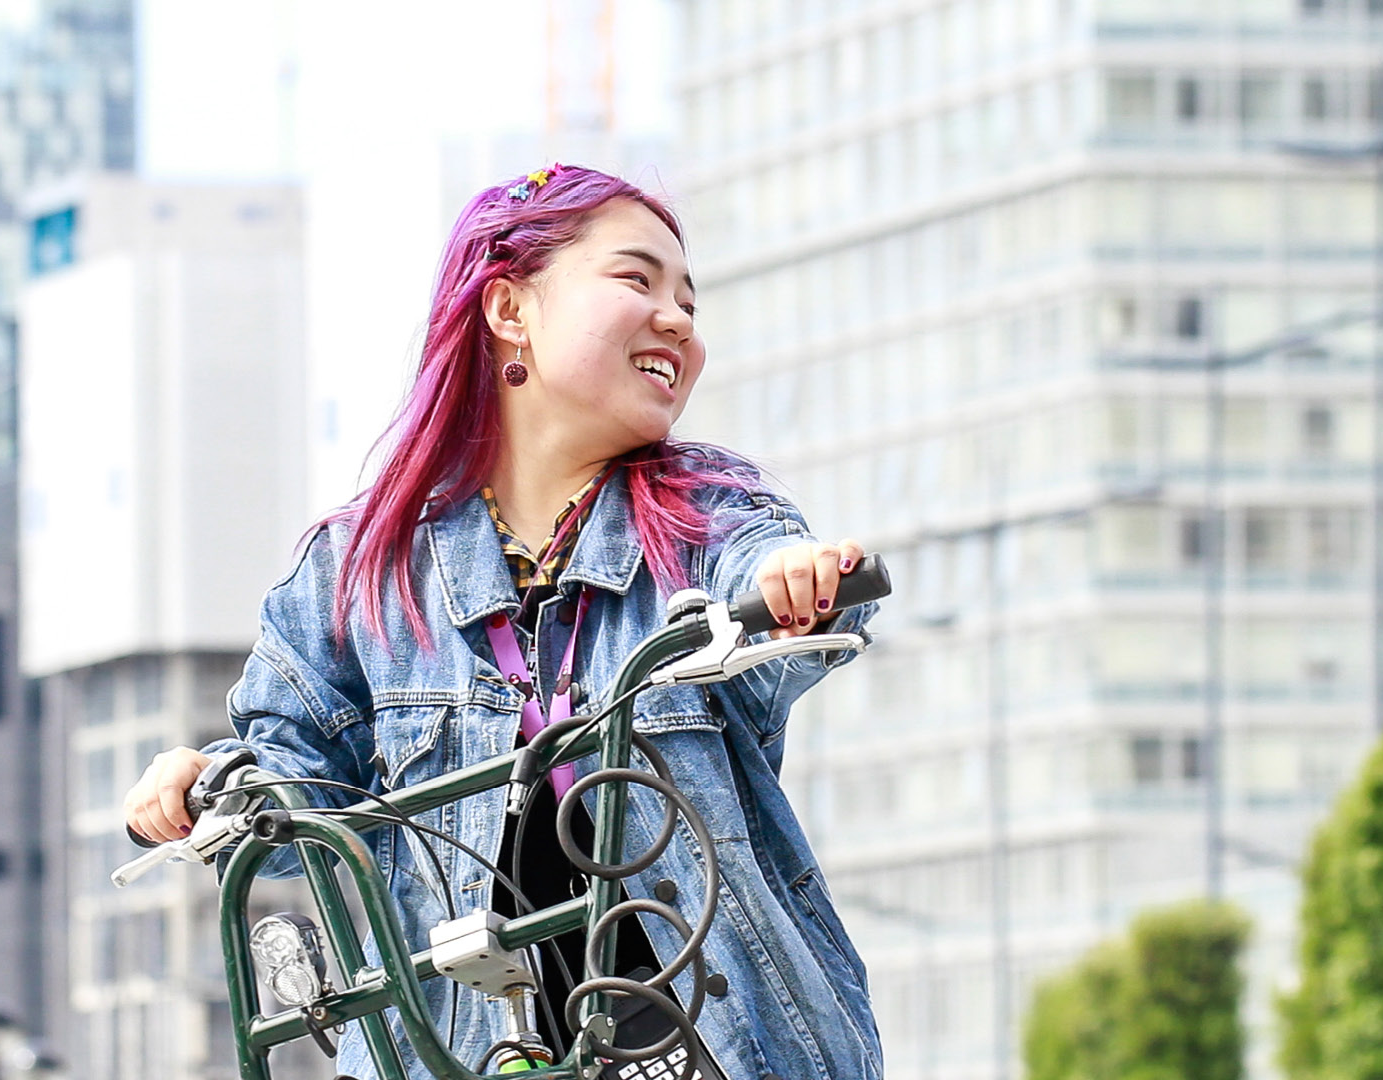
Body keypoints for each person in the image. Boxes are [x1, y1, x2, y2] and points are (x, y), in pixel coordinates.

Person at [122, 165, 883, 1079]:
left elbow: (756, 571)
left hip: (714, 1042)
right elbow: (296, 780)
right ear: (508, 308)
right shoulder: (357, 570)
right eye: (636, 280)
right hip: (462, 1042)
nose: (679, 320)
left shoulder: (702, 508)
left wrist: (789, 581)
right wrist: (206, 780)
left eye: (689, 299)